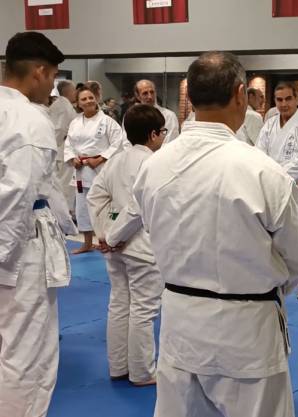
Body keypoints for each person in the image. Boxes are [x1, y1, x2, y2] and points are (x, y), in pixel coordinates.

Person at [133, 51, 298, 417]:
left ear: (190, 97)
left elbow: (151, 227)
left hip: (180, 322)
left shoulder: (153, 167)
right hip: (247, 329)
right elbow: (294, 261)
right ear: (241, 94)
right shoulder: (264, 173)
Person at [0, 31, 77, 417]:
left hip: (13, 239)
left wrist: (69, 226)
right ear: (40, 72)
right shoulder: (29, 119)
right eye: (52, 78)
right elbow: (19, 195)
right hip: (17, 251)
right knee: (26, 353)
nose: (51, 88)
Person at [86, 104, 167, 387]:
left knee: (119, 305)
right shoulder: (154, 163)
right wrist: (113, 236)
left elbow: (95, 197)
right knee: (143, 310)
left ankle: (118, 366)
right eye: (163, 132)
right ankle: (143, 373)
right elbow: (137, 208)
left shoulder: (116, 161)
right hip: (141, 247)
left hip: (116, 249)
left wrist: (104, 233)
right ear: (154, 134)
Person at [257, 82, 298, 300]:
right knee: (273, 233)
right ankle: (278, 276)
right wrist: (269, 179)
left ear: (296, 100)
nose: (283, 104)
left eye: (288, 99)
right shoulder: (269, 125)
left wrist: (276, 178)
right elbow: (259, 155)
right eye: (279, 100)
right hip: (272, 186)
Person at [64, 86, 128, 254]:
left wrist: (100, 158)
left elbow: (118, 143)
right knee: (82, 208)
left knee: (104, 207)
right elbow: (68, 144)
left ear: (96, 99)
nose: (88, 101)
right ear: (78, 104)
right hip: (81, 170)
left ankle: (108, 240)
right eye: (84, 99)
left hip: (101, 169)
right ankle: (86, 243)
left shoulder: (107, 121)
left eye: (91, 97)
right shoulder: (75, 122)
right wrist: (73, 159)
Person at [49, 79, 78, 212]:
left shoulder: (63, 104)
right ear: (68, 91)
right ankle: (65, 212)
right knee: (65, 185)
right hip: (62, 151)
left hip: (63, 150)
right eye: (74, 90)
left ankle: (67, 212)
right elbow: (59, 129)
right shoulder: (63, 104)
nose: (76, 93)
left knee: (67, 185)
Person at [133, 79, 180, 144]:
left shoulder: (169, 116)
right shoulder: (132, 116)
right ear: (138, 96)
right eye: (145, 93)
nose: (150, 96)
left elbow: (171, 141)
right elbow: (127, 142)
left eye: (152, 92)